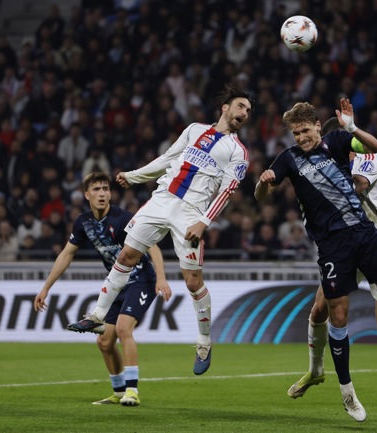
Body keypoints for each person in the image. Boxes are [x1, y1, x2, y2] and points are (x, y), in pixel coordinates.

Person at [255, 99, 377, 422]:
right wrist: (263, 183)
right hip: (332, 246)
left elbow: (376, 147)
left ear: (318, 126)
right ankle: (347, 392)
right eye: (295, 133)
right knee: (338, 315)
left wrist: (352, 126)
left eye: (305, 130)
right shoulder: (288, 158)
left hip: (363, 233)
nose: (300, 137)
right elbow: (262, 195)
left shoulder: (337, 141)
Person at [66, 85, 254, 376]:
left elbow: (227, 191)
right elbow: (167, 158)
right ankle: (97, 315)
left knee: (192, 281)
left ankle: (204, 341)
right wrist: (134, 176)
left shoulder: (239, 152)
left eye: (249, 111)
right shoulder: (194, 130)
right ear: (225, 108)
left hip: (191, 212)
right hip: (162, 199)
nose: (245, 113)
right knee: (127, 255)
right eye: (241, 106)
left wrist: (204, 222)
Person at [285, 117, 377, 403]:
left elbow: (357, 186)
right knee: (319, 310)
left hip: (376, 243)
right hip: (344, 247)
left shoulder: (370, 160)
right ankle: (315, 370)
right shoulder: (326, 166)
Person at [33, 172, 172, 406]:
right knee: (104, 343)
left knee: (124, 329)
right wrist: (46, 288)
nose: (102, 194)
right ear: (86, 195)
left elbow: (152, 246)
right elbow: (66, 255)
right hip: (117, 284)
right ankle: (119, 392)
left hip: (141, 279)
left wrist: (161, 278)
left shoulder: (123, 218)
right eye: (96, 189)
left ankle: (132, 391)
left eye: (106, 189)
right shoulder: (83, 222)